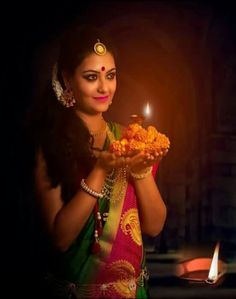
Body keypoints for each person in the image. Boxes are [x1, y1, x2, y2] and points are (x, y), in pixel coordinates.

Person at [26, 24, 167, 299]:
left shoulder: (129, 139)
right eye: (91, 77)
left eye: (111, 76)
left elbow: (153, 226)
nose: (105, 87)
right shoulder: (51, 147)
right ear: (68, 80)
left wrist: (139, 171)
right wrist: (100, 170)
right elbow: (61, 238)